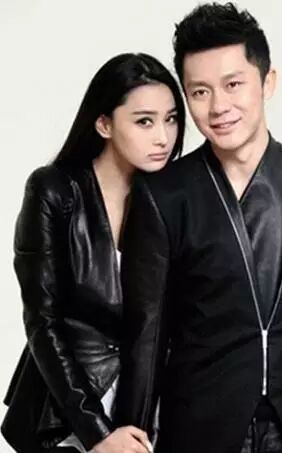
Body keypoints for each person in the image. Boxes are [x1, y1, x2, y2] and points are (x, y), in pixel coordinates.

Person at [115, 3, 282, 453]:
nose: (219, 107)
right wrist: (131, 432)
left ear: (267, 82)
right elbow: (147, 333)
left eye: (233, 84)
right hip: (197, 429)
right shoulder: (163, 195)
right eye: (199, 92)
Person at [1, 52, 185, 453]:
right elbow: (42, 321)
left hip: (147, 409)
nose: (163, 137)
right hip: (67, 413)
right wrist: (97, 433)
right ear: (104, 124)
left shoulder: (173, 200)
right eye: (144, 121)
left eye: (171, 119)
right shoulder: (55, 191)